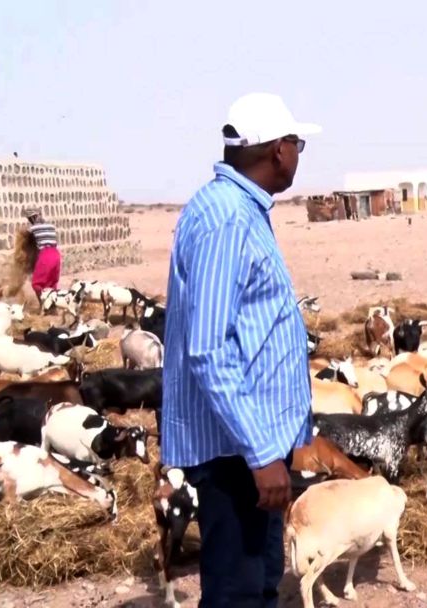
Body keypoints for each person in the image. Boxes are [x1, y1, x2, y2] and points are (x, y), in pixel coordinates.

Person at [161, 92, 320, 607]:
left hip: (252, 445)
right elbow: (209, 348)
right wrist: (259, 455)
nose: (298, 154)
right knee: (238, 593)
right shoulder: (226, 218)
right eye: (297, 143)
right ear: (277, 150)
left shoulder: (239, 210)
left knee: (259, 582)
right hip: (237, 452)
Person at [23, 207, 61, 297]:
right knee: (51, 284)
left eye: (29, 219)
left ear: (33, 218)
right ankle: (53, 306)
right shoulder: (52, 227)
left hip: (46, 255)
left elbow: (26, 238)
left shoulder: (33, 228)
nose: (29, 221)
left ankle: (43, 305)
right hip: (56, 255)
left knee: (36, 284)